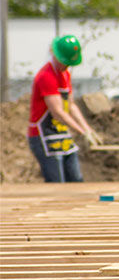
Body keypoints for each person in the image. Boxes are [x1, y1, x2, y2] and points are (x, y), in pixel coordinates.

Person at [27, 34, 103, 182]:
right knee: (57, 183)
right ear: (55, 55)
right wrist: (81, 132)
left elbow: (71, 105)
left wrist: (88, 130)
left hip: (61, 133)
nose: (67, 65)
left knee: (76, 179)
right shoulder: (46, 76)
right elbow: (58, 112)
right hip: (44, 136)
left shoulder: (65, 74)